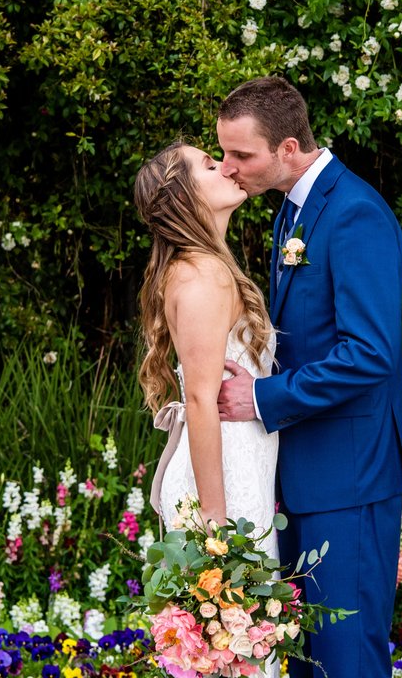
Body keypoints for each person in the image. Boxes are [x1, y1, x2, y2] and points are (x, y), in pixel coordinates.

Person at [214, 76, 402, 678]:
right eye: (223, 153)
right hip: (309, 469)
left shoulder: (354, 213)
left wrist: (261, 397)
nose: (228, 168)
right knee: (310, 662)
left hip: (350, 472)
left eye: (241, 154)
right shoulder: (294, 209)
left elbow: (369, 354)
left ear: (287, 148)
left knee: (345, 658)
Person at [134, 140, 280, 542]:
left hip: (242, 466)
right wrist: (215, 518)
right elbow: (200, 398)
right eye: (210, 166)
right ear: (185, 197)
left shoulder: (204, 268)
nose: (228, 168)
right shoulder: (201, 276)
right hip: (224, 485)